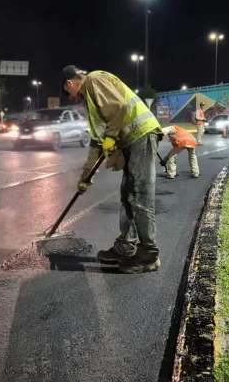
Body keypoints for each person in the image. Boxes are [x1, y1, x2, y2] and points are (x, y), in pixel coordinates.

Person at [61, 65, 162, 274]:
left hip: (141, 135)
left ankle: (149, 255)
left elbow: (119, 108)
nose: (69, 97)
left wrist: (111, 137)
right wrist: (85, 178)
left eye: (66, 92)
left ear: (70, 83)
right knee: (127, 196)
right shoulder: (90, 100)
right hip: (132, 141)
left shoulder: (95, 80)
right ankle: (125, 246)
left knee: (140, 196)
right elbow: (96, 144)